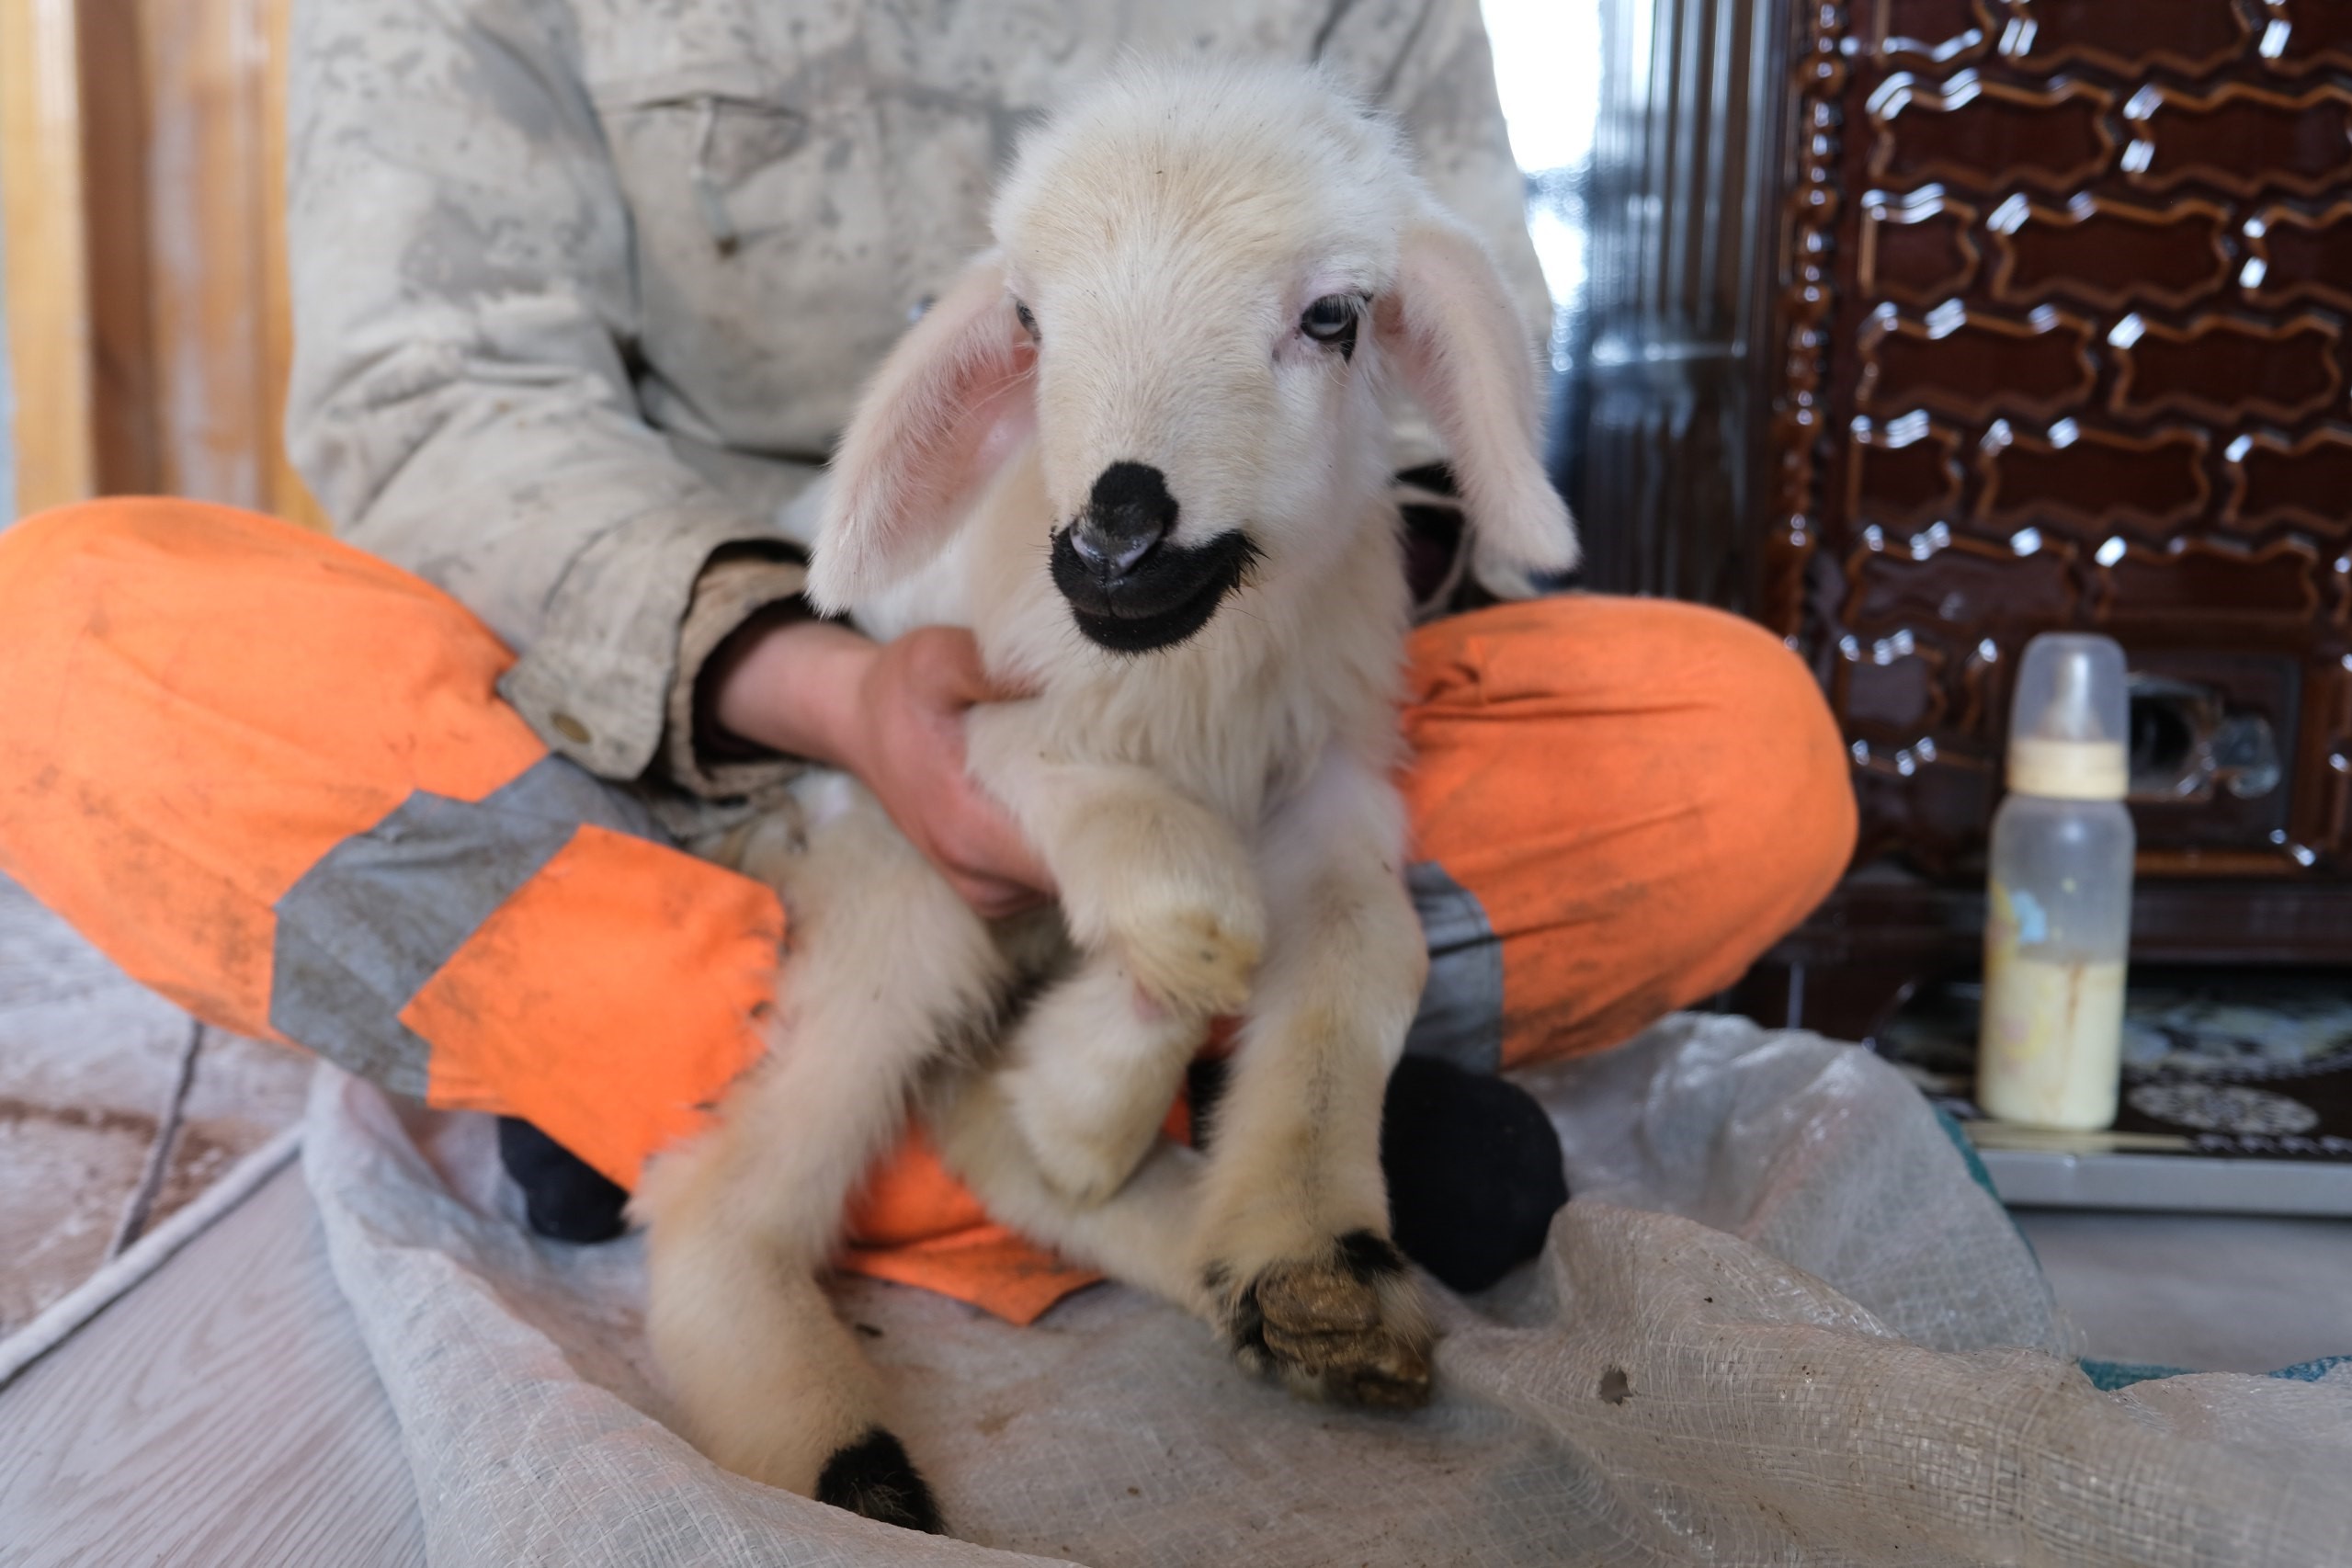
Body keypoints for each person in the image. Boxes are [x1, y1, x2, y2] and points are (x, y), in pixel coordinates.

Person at [0, 0, 1855, 1316]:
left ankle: (709, 1100)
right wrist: (832, 689)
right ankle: (1149, 1120)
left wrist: (1257, 650)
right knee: (58, 648)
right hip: (694, 725)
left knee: (1734, 755)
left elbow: (1463, 310)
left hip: (1234, 684)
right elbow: (435, 387)